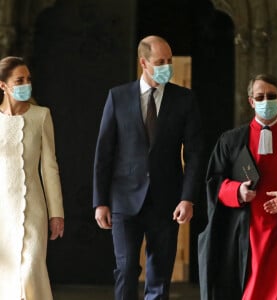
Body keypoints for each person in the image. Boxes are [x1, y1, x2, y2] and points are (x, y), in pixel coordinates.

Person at [93, 35, 203, 300]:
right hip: (123, 199)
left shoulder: (184, 99)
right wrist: (100, 202)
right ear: (144, 62)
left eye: (169, 60)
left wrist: (187, 198)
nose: (167, 66)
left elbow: (195, 153)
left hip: (166, 200)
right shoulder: (117, 97)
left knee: (160, 275)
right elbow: (104, 152)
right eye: (160, 61)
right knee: (126, 268)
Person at [198, 73, 277, 300]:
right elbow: (214, 181)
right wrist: (237, 191)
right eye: (260, 97)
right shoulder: (230, 140)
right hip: (244, 230)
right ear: (251, 101)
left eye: (271, 96)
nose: (266, 102)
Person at [0, 56, 64, 300]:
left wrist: (56, 212)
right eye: (19, 80)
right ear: (3, 85)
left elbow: (50, 167)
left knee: (30, 272)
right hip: (2, 211)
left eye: (28, 79)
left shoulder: (41, 116)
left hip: (33, 211)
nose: (26, 84)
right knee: (5, 276)